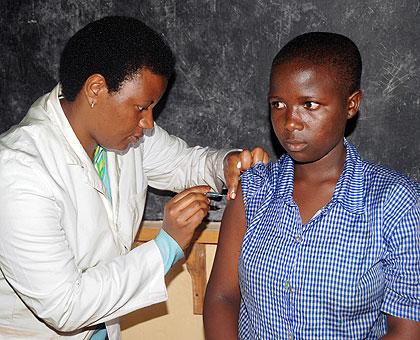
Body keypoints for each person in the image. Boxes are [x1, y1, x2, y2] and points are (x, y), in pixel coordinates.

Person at [0, 16, 269, 339]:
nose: (149, 123)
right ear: (96, 89)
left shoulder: (119, 135)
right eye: (142, 107)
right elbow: (65, 307)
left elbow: (183, 162)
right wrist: (167, 245)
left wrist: (225, 164)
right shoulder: (19, 173)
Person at [204, 32, 420, 339]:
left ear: (351, 105)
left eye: (310, 104)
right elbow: (222, 297)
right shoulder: (254, 190)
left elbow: (408, 330)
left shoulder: (395, 202)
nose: (290, 121)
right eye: (278, 104)